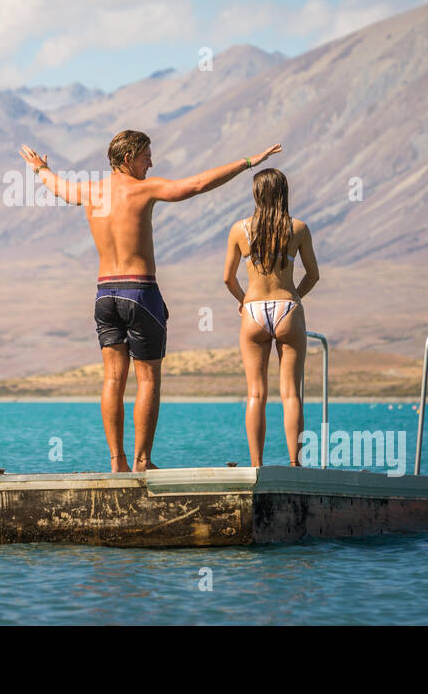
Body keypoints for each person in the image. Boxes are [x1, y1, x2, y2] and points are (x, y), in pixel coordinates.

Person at [20, 132, 281, 472]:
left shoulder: (89, 191)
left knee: (113, 379)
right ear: (128, 158)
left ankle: (117, 461)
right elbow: (198, 184)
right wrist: (247, 162)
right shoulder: (143, 189)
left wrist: (40, 169)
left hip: (105, 294)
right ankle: (142, 461)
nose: (151, 164)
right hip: (140, 292)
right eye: (146, 157)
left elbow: (57, 186)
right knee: (147, 380)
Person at [222, 168, 319, 467]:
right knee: (290, 394)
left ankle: (256, 465)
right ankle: (295, 464)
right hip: (288, 308)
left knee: (256, 393)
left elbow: (228, 278)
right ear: (283, 193)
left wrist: (243, 302)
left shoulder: (239, 229)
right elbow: (313, 275)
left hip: (253, 310)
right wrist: (295, 296)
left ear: (256, 194)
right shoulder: (299, 228)